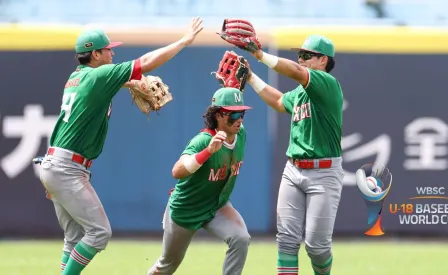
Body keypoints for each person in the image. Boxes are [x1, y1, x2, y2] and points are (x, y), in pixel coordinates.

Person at [37, 17, 204, 275]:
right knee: (99, 233)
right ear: (95, 54)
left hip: (55, 163)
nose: (113, 52)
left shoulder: (77, 77)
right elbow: (146, 62)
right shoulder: (100, 75)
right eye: (108, 49)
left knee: (74, 237)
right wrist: (184, 41)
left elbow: (99, 87)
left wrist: (129, 83)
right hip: (67, 168)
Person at [244, 34, 344, 275]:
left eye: (307, 55)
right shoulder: (301, 92)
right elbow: (279, 101)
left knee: (317, 247)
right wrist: (250, 77)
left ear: (323, 61)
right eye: (300, 54)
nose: (301, 59)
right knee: (286, 241)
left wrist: (260, 55)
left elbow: (297, 73)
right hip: (293, 170)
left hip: (323, 173)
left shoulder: (327, 85)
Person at [147, 87, 252, 275]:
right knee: (167, 265)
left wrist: (232, 85)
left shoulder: (240, 134)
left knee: (241, 238)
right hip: (187, 208)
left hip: (217, 205)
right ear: (218, 115)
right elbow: (177, 171)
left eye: (242, 113)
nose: (239, 119)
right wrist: (208, 152)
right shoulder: (203, 141)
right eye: (234, 114)